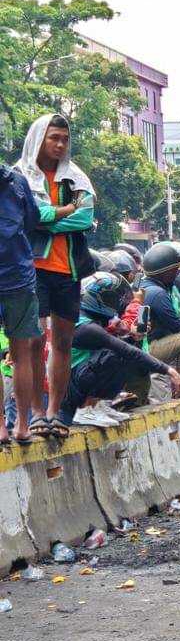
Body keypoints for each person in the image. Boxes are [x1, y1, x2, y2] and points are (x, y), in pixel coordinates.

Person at [15, 114, 97, 439]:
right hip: (30, 268)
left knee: (63, 342)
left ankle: (55, 413)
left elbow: (85, 218)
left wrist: (44, 219)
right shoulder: (19, 177)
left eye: (64, 138)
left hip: (69, 270)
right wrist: (60, 214)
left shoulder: (77, 179)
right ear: (39, 138)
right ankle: (36, 412)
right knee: (34, 341)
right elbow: (21, 219)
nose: (60, 144)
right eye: (54, 138)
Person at [61, 273, 180, 428]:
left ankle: (97, 404)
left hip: (77, 379)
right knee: (118, 353)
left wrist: (133, 335)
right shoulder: (84, 326)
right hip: (68, 386)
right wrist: (168, 370)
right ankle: (86, 409)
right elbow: (122, 348)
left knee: (127, 350)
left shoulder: (95, 319)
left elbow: (123, 337)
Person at [127, 242, 180, 404]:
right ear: (166, 272)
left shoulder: (145, 284)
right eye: (175, 269)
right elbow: (176, 325)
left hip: (141, 347)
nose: (178, 272)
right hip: (147, 349)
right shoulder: (157, 293)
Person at [0, 156, 44, 446]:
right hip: (18, 276)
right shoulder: (16, 182)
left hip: (17, 277)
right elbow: (33, 220)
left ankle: (2, 429)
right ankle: (23, 427)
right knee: (22, 355)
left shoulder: (17, 181)